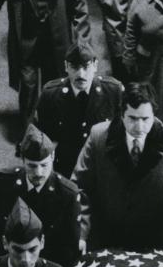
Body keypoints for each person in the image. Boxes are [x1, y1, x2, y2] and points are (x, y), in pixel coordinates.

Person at [73, 82, 163, 252]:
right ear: (121, 115)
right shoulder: (98, 137)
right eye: (133, 118)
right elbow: (79, 187)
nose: (140, 127)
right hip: (107, 237)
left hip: (153, 239)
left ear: (154, 115)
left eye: (145, 119)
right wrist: (81, 234)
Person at [0, 124, 81, 267]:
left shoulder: (68, 195)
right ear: (23, 160)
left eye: (44, 165)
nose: (38, 172)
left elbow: (68, 250)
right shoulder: (1, 183)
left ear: (53, 157)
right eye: (32, 166)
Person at [33, 40, 123, 179]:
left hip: (101, 168)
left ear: (95, 66)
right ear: (66, 67)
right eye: (74, 67)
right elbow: (43, 140)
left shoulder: (113, 91)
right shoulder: (50, 94)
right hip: (65, 170)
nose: (81, 74)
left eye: (86, 67)